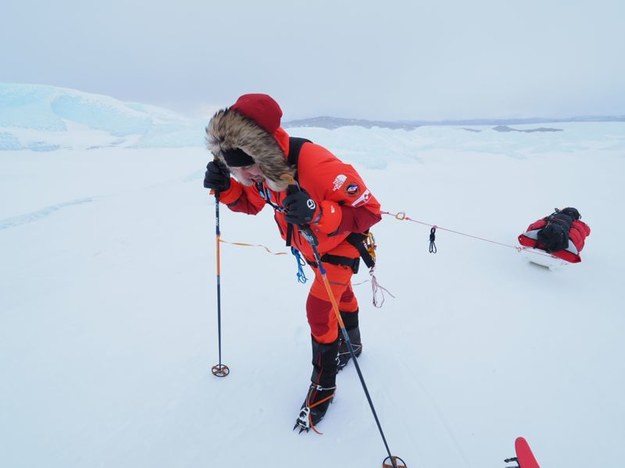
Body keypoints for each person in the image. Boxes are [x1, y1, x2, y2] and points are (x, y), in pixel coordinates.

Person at [203, 93, 382, 432]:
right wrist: (225, 190)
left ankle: (323, 385)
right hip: (310, 247)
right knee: (339, 298)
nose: (244, 176)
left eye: (247, 167)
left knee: (319, 310)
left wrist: (318, 211)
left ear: (265, 151)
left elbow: (369, 212)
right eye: (234, 170)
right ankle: (353, 342)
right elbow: (251, 204)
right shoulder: (261, 173)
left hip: (340, 244)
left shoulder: (317, 165)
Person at [518, 207, 591, 263]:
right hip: (564, 245)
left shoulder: (552, 217)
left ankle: (535, 244)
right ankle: (561, 252)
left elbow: (535, 225)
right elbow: (587, 231)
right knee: (576, 238)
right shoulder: (578, 223)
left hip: (541, 236)